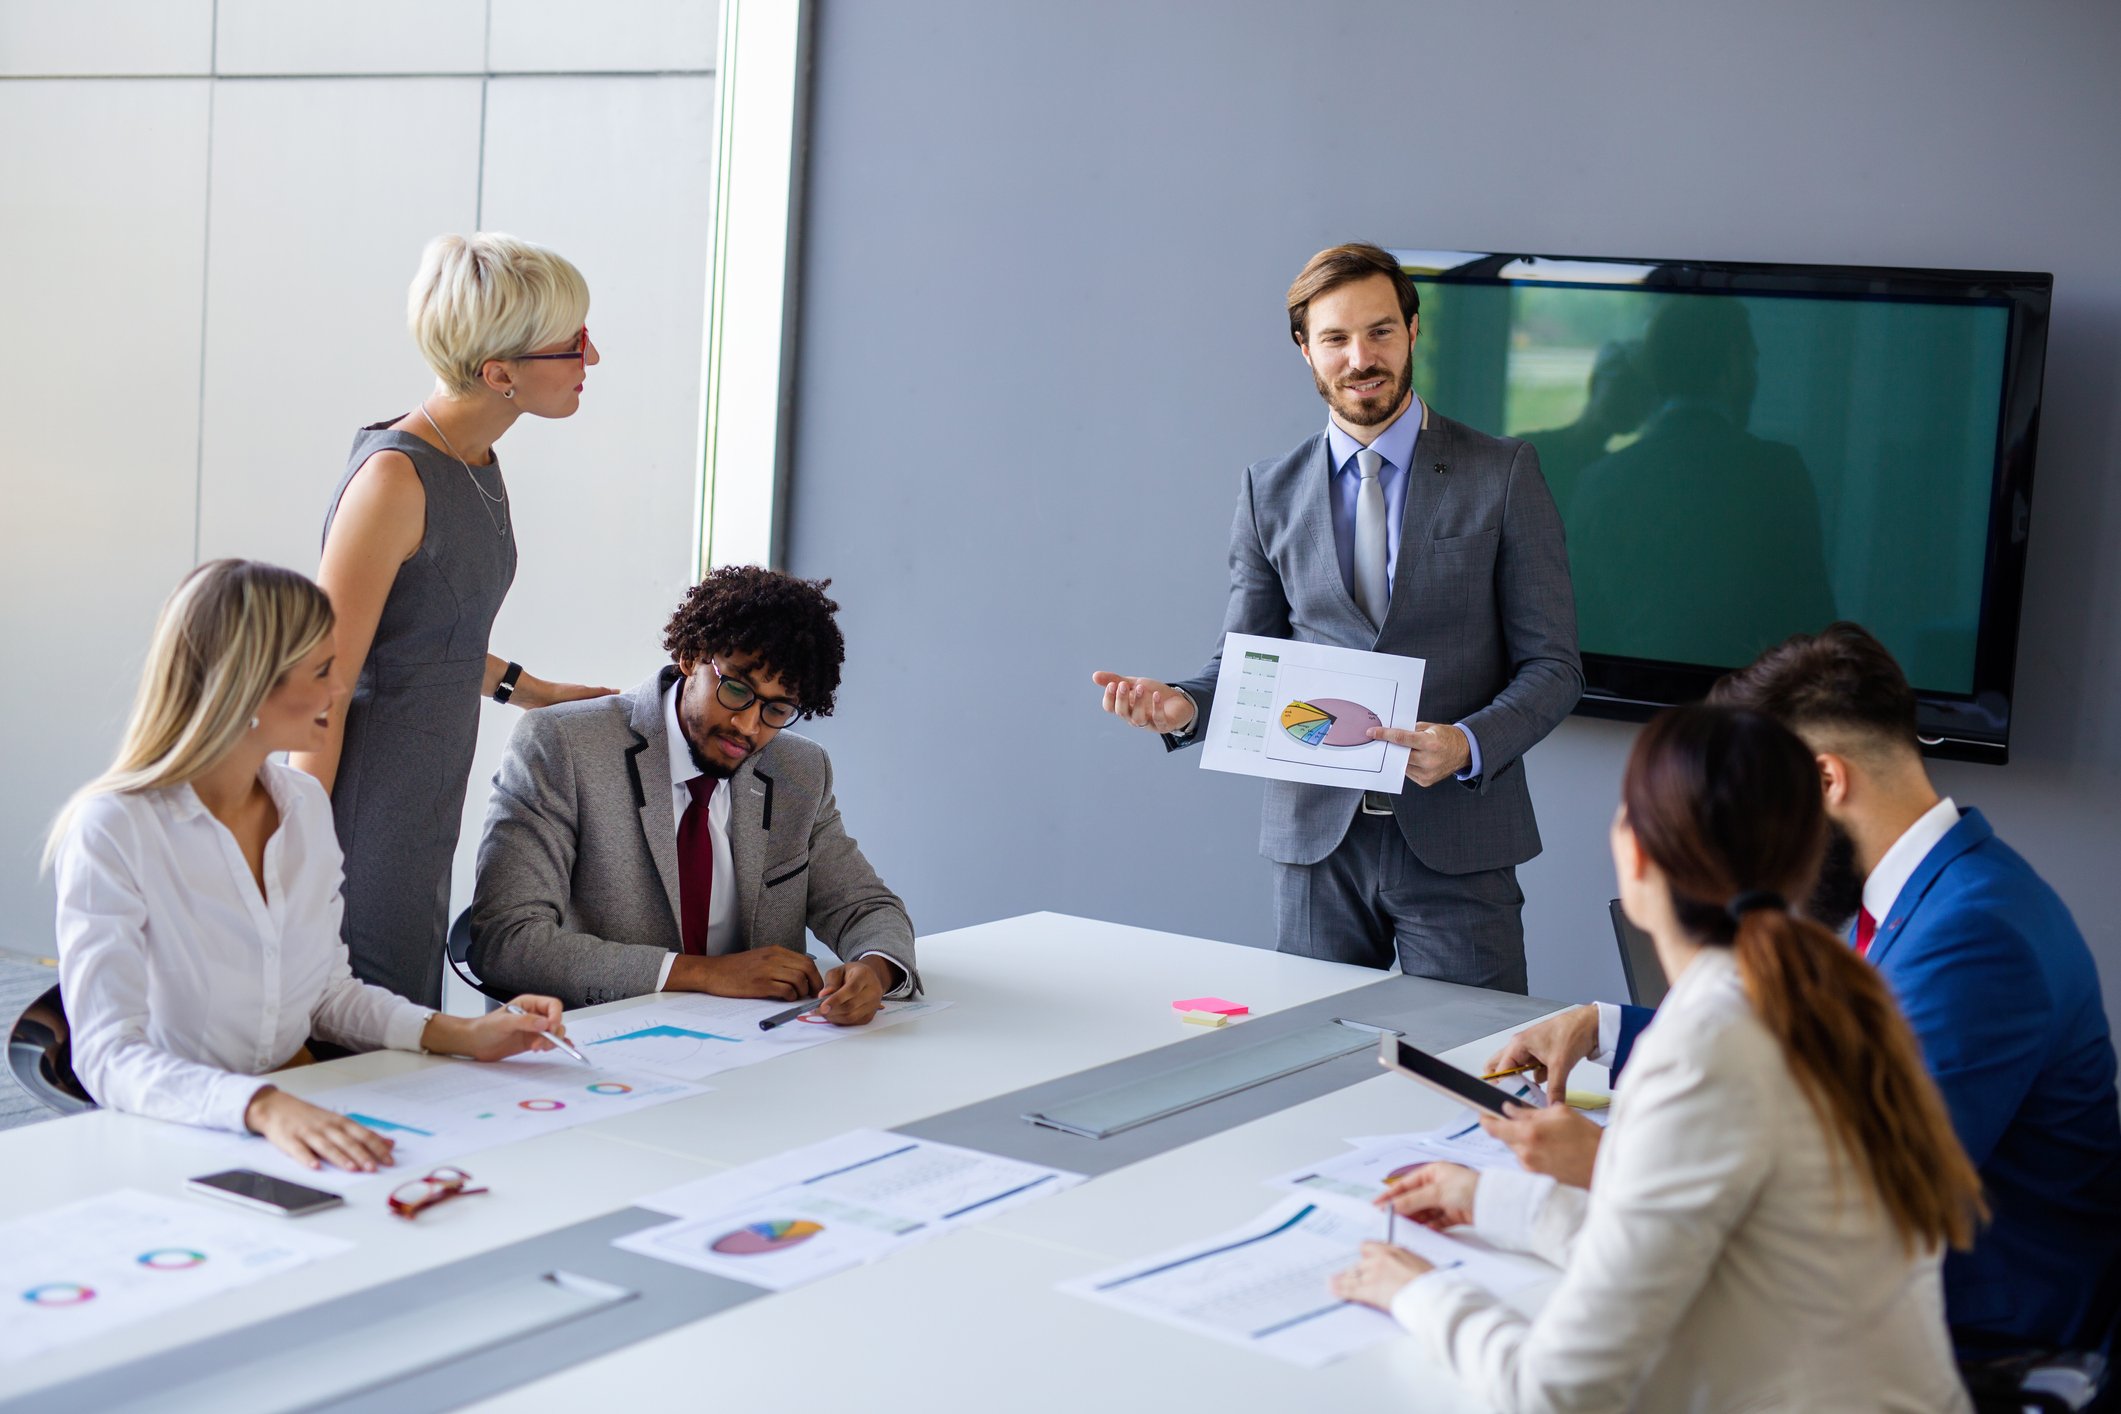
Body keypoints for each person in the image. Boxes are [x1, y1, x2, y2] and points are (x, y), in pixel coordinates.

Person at [1485, 623, 2121, 1351]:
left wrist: (1609, 1165)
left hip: (1979, 1345)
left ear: (1825, 780)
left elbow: (1861, 1213)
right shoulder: (1935, 891)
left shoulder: (1976, 936)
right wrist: (1606, 1028)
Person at [1332, 704, 1979, 1411]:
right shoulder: (1822, 995)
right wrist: (1487, 1198)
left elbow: (1553, 1392)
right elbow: (1666, 1251)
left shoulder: (1705, 1049)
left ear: (1633, 851)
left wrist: (1418, 1293)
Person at [1091, 243, 1581, 990]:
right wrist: (1185, 704)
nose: (1362, 357)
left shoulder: (1503, 473)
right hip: (1316, 844)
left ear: (1413, 331)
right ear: (1305, 350)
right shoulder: (1269, 491)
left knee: (1474, 1068)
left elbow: (1553, 667)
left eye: (1380, 331)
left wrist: (1467, 744)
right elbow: (1245, 659)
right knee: (1307, 1069)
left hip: (1458, 840)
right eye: (1336, 339)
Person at [46, 561, 570, 1173]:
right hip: (178, 1136)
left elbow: (325, 993)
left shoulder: (301, 804)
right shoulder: (115, 827)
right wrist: (262, 1107)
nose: (337, 691)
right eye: (321, 670)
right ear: (246, 684)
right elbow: (108, 1054)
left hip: (299, 1112)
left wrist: (463, 1034)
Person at [292, 233, 615, 1009]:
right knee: (372, 1020)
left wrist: (529, 690)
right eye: (571, 344)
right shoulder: (394, 481)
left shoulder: (473, 461)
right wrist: (297, 854)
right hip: (367, 803)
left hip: (426, 785)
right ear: (499, 372)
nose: (593, 358)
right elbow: (324, 682)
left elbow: (420, 633)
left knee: (400, 1013)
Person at [469, 566, 917, 1020]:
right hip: (602, 1053)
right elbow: (508, 940)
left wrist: (875, 971)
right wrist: (706, 973)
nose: (748, 725)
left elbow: (864, 907)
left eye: (777, 709)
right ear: (690, 656)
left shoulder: (799, 772)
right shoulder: (562, 745)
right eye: (736, 688)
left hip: (762, 1054)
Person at [1569, 295, 1836, 666]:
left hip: (1623, 707)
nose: (1756, 375)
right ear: (1732, 363)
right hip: (1746, 709)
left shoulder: (1596, 481)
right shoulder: (1777, 470)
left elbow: (1577, 629)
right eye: (1752, 360)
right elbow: (1812, 627)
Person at [1516, 337, 1653, 530]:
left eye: (1645, 393)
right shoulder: (1527, 454)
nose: (1634, 401)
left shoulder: (1530, 450)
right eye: (1624, 386)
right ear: (1594, 383)